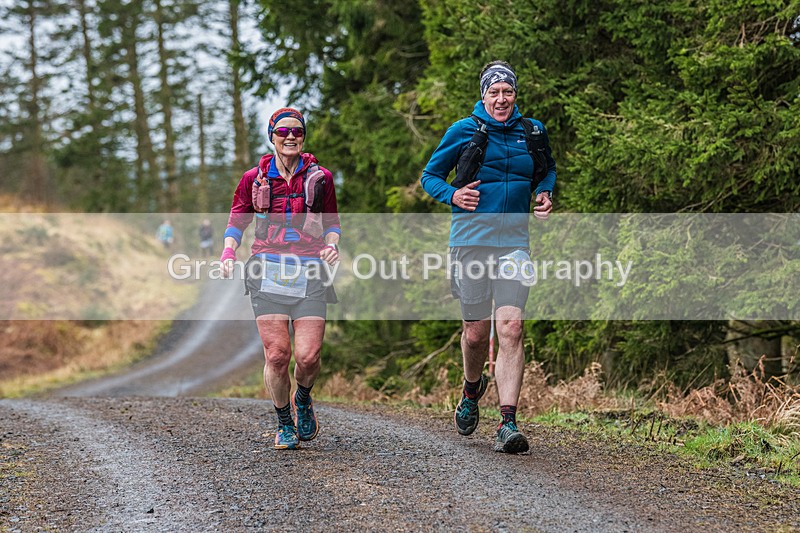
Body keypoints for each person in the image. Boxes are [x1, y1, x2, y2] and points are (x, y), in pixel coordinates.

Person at [420, 61, 556, 453]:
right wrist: (453, 195)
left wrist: (544, 195)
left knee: (511, 327)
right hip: (471, 243)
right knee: (476, 333)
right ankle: (470, 389)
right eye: (494, 92)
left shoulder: (532, 131)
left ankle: (508, 422)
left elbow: (546, 170)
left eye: (507, 92)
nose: (501, 99)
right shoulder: (464, 130)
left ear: (515, 94)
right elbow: (430, 176)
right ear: (483, 96)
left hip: (515, 244)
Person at [220, 107, 341, 450]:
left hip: (310, 269)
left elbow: (332, 225)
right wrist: (229, 251)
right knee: (276, 355)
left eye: (297, 132)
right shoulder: (252, 179)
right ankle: (284, 422)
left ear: (304, 137)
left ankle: (303, 397)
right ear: (271, 136)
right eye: (283, 132)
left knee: (308, 356)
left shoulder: (322, 178)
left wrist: (332, 246)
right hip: (266, 267)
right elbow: (237, 220)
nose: (290, 137)